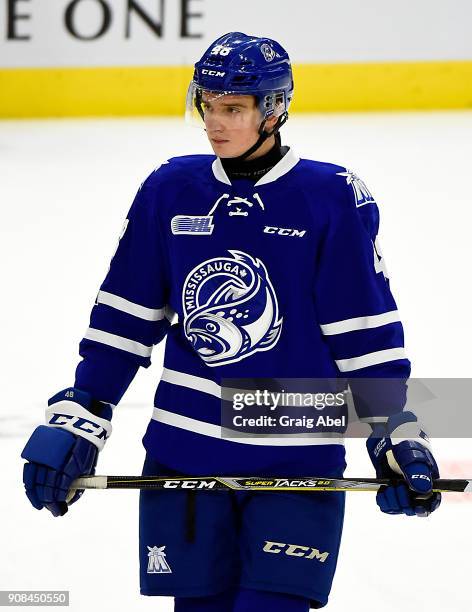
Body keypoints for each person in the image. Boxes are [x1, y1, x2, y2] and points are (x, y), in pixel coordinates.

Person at [21, 32, 441, 611]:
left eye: (234, 109)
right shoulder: (170, 189)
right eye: (208, 106)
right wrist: (82, 412)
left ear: (275, 111)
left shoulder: (332, 197)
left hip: (295, 456)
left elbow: (364, 333)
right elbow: (125, 315)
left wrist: (394, 430)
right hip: (184, 458)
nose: (216, 124)